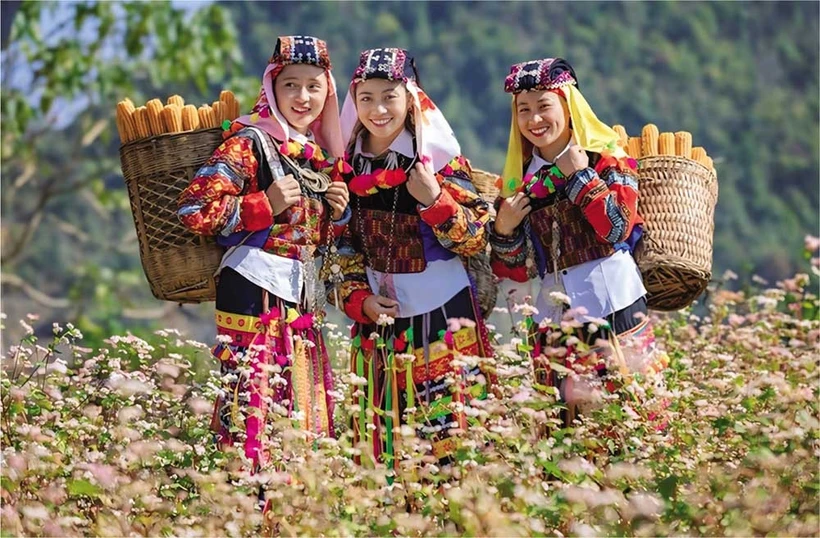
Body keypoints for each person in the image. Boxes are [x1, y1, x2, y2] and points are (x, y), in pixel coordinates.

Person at [177, 35, 349, 471]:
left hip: (299, 294)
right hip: (252, 289)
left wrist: (336, 212)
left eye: (314, 86)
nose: (303, 97)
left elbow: (310, 237)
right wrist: (263, 205)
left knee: (300, 405)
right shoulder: (249, 142)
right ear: (272, 86)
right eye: (291, 85)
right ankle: (248, 506)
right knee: (252, 405)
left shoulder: (317, 158)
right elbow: (195, 210)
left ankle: (289, 509)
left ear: (328, 92)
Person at [327, 48, 493, 469]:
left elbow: (475, 238)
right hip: (377, 325)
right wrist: (357, 299)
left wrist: (435, 199)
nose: (378, 109)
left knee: (454, 445)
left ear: (410, 99)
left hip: (444, 317)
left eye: (389, 97)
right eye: (366, 98)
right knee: (383, 453)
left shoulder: (437, 160)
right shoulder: (345, 169)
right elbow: (340, 248)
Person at [489, 57, 668, 425]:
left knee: (632, 416)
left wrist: (580, 176)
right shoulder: (518, 183)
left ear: (568, 107)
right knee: (565, 428)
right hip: (554, 315)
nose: (534, 120)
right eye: (524, 110)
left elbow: (616, 229)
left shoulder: (606, 160)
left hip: (613, 303)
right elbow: (518, 269)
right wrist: (504, 228)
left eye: (544, 107)